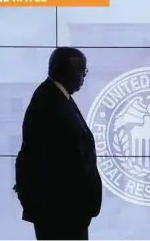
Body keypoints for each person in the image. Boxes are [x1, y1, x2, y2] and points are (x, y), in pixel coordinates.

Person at [14, 47, 102, 240]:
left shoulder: (58, 97)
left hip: (67, 211)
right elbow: (42, 159)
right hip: (60, 212)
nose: (83, 77)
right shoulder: (48, 102)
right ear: (67, 70)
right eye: (82, 71)